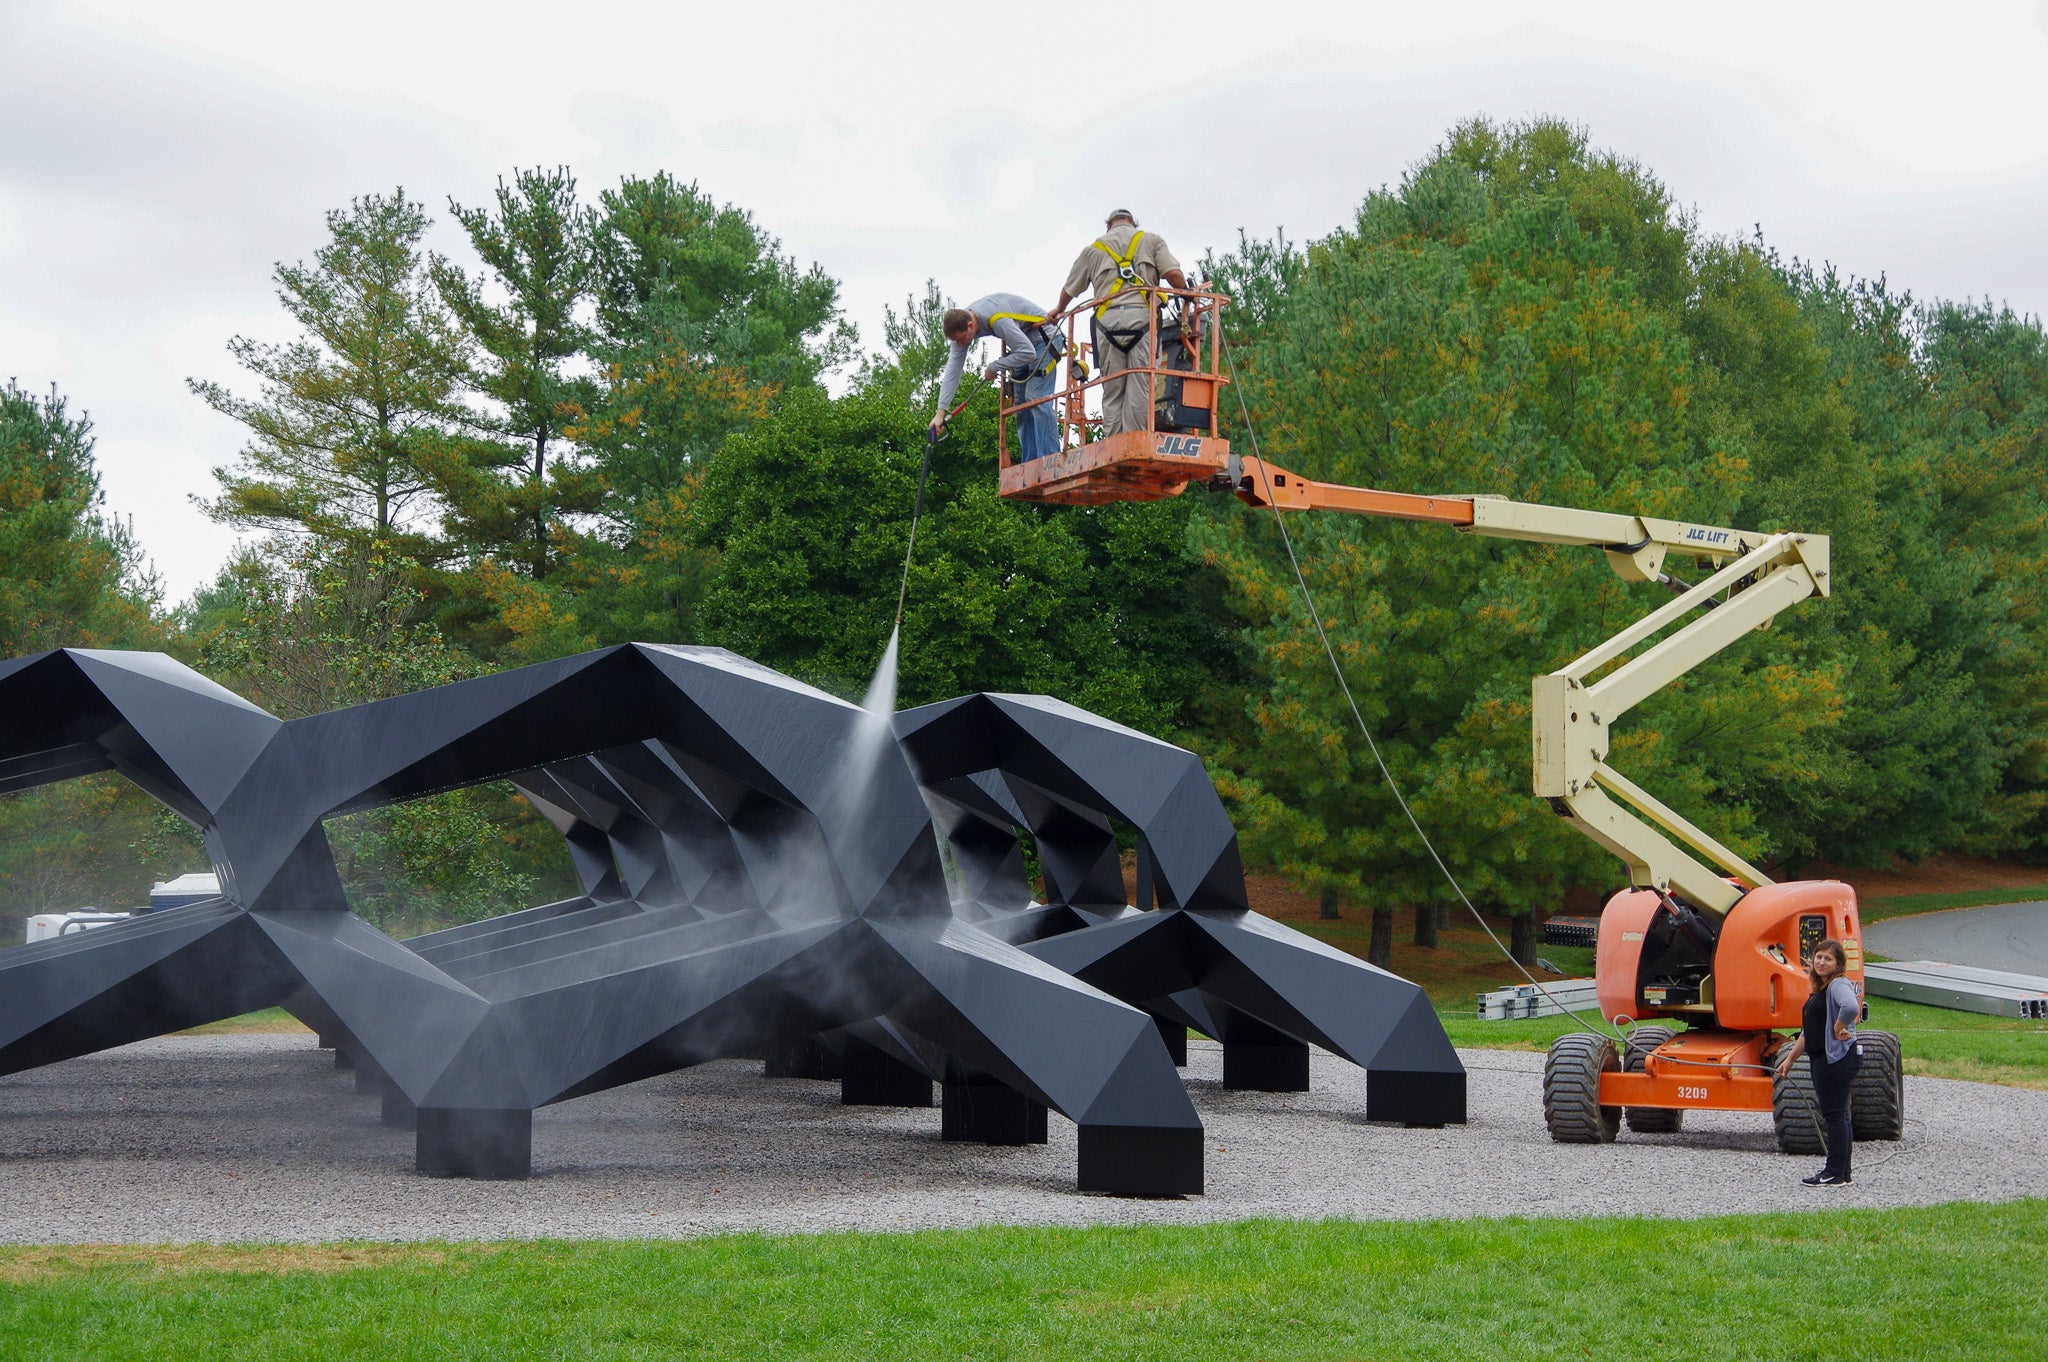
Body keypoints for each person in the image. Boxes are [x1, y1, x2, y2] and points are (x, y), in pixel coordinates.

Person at [1048, 210, 1188, 437]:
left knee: (1113, 389)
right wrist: (1187, 293)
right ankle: (1135, 441)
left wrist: (1058, 310)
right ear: (1133, 223)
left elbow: (1070, 289)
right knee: (1140, 385)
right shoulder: (1151, 240)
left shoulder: (1093, 250)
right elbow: (1173, 274)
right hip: (1142, 321)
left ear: (1108, 226)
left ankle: (1113, 446)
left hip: (1107, 324)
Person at [930, 295, 1062, 461]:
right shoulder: (961, 324)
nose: (960, 344)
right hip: (1024, 344)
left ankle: (1051, 459)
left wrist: (995, 366)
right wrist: (940, 412)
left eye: (962, 339)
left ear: (970, 326)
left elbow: (1028, 353)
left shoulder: (996, 319)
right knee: (1020, 405)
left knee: (1035, 398)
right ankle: (1031, 462)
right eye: (956, 341)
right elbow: (953, 370)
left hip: (1045, 340)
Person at [1774, 937, 1862, 1185]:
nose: (1821, 962)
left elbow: (1851, 1008)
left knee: (1834, 1116)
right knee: (1840, 1115)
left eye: (1828, 959)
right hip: (1823, 1058)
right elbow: (1808, 1031)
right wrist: (1790, 1059)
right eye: (1819, 957)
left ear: (1838, 964)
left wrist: (1837, 1028)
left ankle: (1833, 1172)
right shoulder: (1820, 989)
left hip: (1835, 1060)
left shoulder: (1837, 985)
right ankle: (1843, 1173)